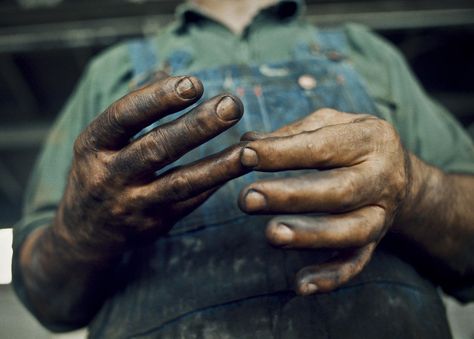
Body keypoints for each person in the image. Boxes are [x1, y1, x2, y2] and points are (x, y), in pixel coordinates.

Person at [12, 0, 474, 337]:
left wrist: (413, 187)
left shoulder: (366, 51)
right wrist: (85, 231)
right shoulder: (109, 71)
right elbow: (46, 298)